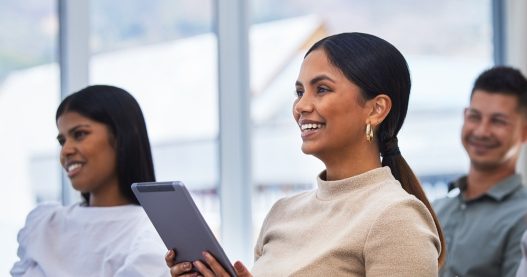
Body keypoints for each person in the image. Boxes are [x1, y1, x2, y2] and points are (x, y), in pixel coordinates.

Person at [166, 32, 444, 277]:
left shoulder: (396, 217)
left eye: (321, 89)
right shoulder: (282, 212)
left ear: (376, 109)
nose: (301, 106)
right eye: (299, 92)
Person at [11, 85, 169, 276]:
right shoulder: (44, 224)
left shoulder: (150, 234)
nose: (65, 150)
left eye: (80, 134)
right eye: (62, 141)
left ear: (121, 137)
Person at [433, 66, 527, 277]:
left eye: (498, 121)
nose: (482, 131)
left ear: (524, 131)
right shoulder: (437, 208)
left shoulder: (523, 217)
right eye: (474, 117)